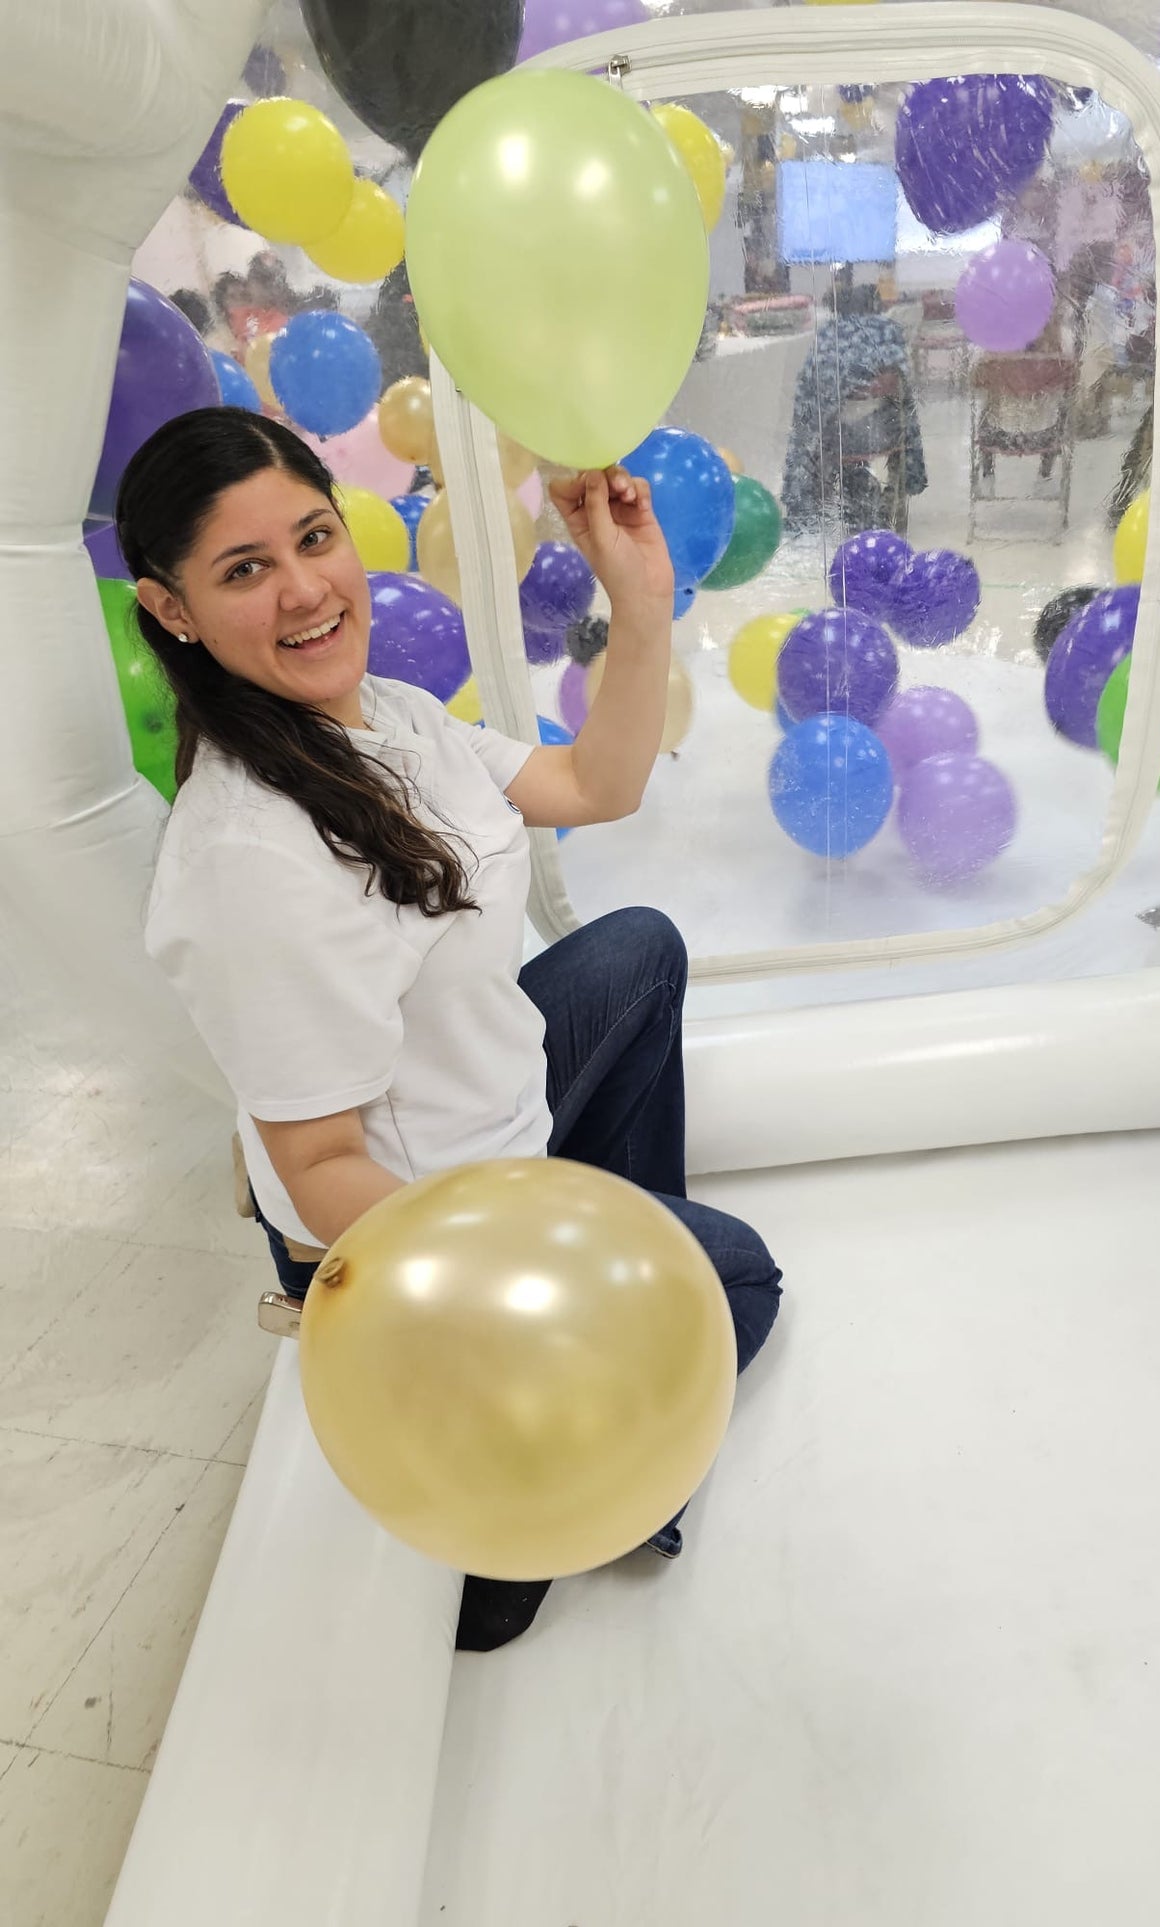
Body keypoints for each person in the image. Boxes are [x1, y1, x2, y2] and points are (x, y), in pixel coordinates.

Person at [114, 408, 782, 1651]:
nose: (307, 589)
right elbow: (315, 1174)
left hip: (503, 1142)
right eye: (245, 571)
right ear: (172, 611)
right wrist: (546, 1293)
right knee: (739, 1277)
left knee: (636, 950)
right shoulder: (246, 862)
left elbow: (595, 785)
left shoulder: (389, 716)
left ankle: (624, 1285)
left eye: (314, 538)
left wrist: (638, 608)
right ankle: (575, 1480)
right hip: (410, 1236)